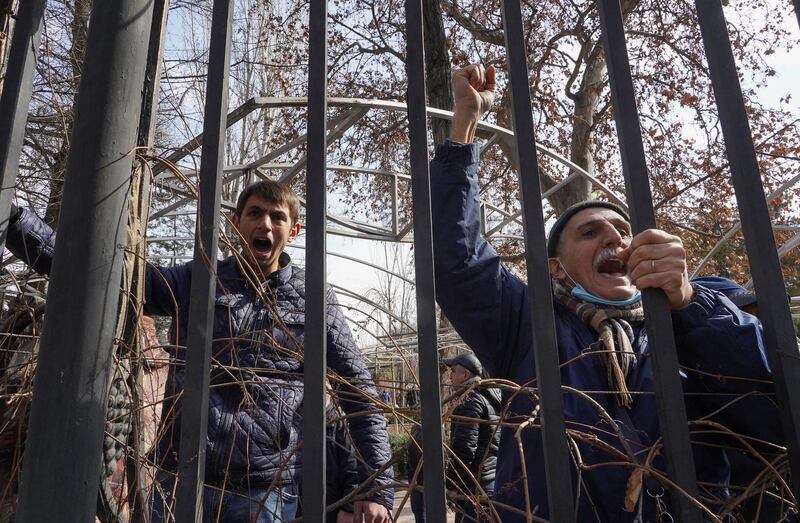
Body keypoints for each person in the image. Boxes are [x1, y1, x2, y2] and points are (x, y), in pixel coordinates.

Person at [429, 63, 785, 521]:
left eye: (622, 229)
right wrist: (464, 127)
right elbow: (458, 261)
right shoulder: (529, 324)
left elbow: (774, 411)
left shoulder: (688, 319)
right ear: (557, 269)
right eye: (589, 233)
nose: (614, 239)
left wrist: (690, 303)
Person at [5, 179, 393, 523]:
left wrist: (376, 488)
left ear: (293, 230)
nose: (265, 225)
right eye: (255, 213)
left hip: (264, 490)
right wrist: (15, 220)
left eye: (277, 217)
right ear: (235, 224)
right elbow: (107, 277)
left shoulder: (315, 299)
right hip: (180, 476)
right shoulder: (199, 280)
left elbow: (357, 389)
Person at [442, 352, 500, 523]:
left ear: (465, 374)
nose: (450, 376)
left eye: (453, 371)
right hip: (492, 479)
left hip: (474, 484)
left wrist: (452, 485)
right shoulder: (489, 397)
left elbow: (464, 448)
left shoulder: (470, 400)